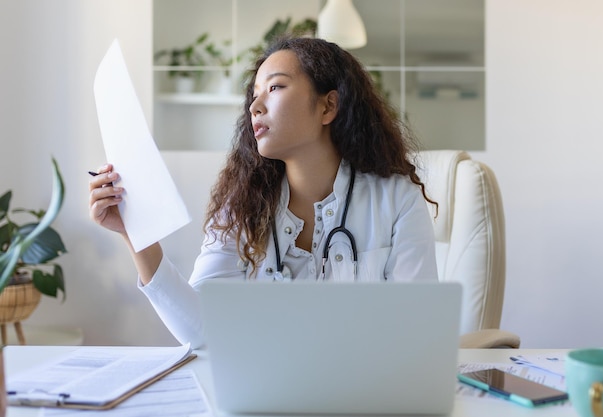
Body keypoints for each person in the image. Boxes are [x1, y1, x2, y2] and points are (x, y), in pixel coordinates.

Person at [89, 37, 438, 348]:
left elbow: (415, 334)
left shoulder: (398, 200)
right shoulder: (242, 205)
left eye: (275, 88)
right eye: (254, 96)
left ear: (328, 107)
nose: (255, 107)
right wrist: (136, 234)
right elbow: (199, 331)